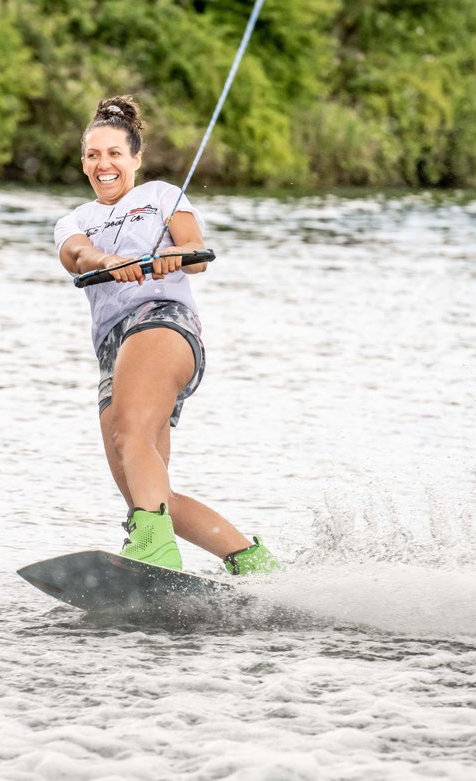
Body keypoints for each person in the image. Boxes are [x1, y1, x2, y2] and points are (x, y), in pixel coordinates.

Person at [54, 95, 279, 576]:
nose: (104, 164)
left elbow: (195, 250)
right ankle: (256, 566)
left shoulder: (160, 196)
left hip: (163, 323)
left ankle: (152, 551)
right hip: (114, 348)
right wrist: (108, 262)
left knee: (131, 434)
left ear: (135, 158)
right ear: (83, 163)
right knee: (150, 493)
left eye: (115, 153)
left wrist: (181, 254)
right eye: (93, 155)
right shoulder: (73, 220)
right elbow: (76, 256)